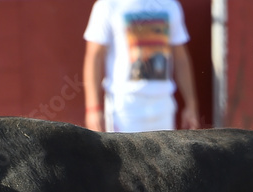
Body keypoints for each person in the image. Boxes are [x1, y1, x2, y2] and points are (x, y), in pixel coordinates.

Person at [83, 0, 200, 132]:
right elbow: (94, 57)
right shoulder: (107, 5)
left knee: (164, 153)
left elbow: (181, 59)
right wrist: (93, 108)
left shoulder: (170, 5)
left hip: (163, 104)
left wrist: (191, 104)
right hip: (124, 106)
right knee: (124, 153)